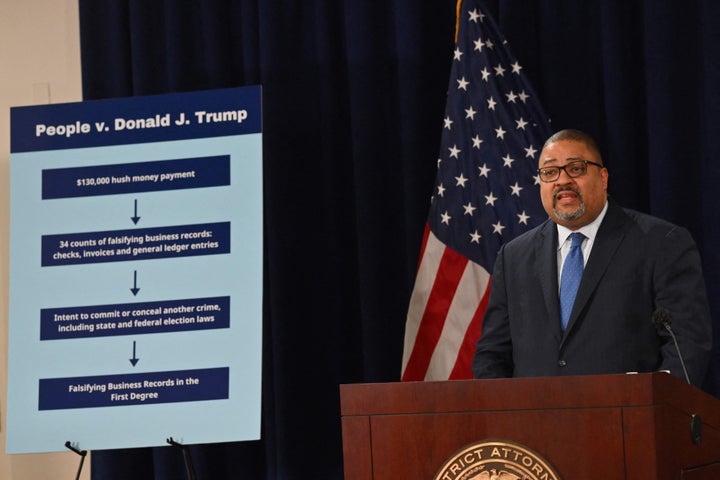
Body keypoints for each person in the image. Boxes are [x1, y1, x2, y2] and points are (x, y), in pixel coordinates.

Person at [472, 129, 712, 386]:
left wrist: (655, 409)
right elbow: (492, 354)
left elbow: (687, 344)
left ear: (603, 177)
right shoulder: (513, 257)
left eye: (576, 168)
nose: (562, 180)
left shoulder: (660, 243)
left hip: (628, 420)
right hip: (534, 422)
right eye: (550, 172)